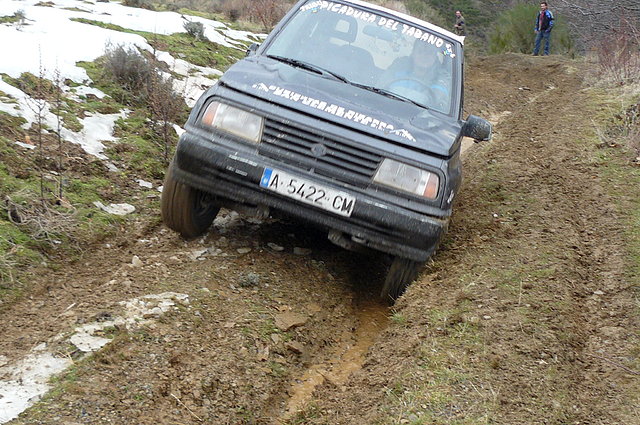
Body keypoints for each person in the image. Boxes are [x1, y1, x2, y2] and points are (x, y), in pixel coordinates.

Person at [382, 41, 451, 111]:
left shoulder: (440, 78)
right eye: (420, 51)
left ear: (435, 57)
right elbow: (381, 87)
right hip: (386, 107)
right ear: (413, 53)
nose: (424, 56)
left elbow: (435, 101)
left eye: (430, 53)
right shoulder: (397, 69)